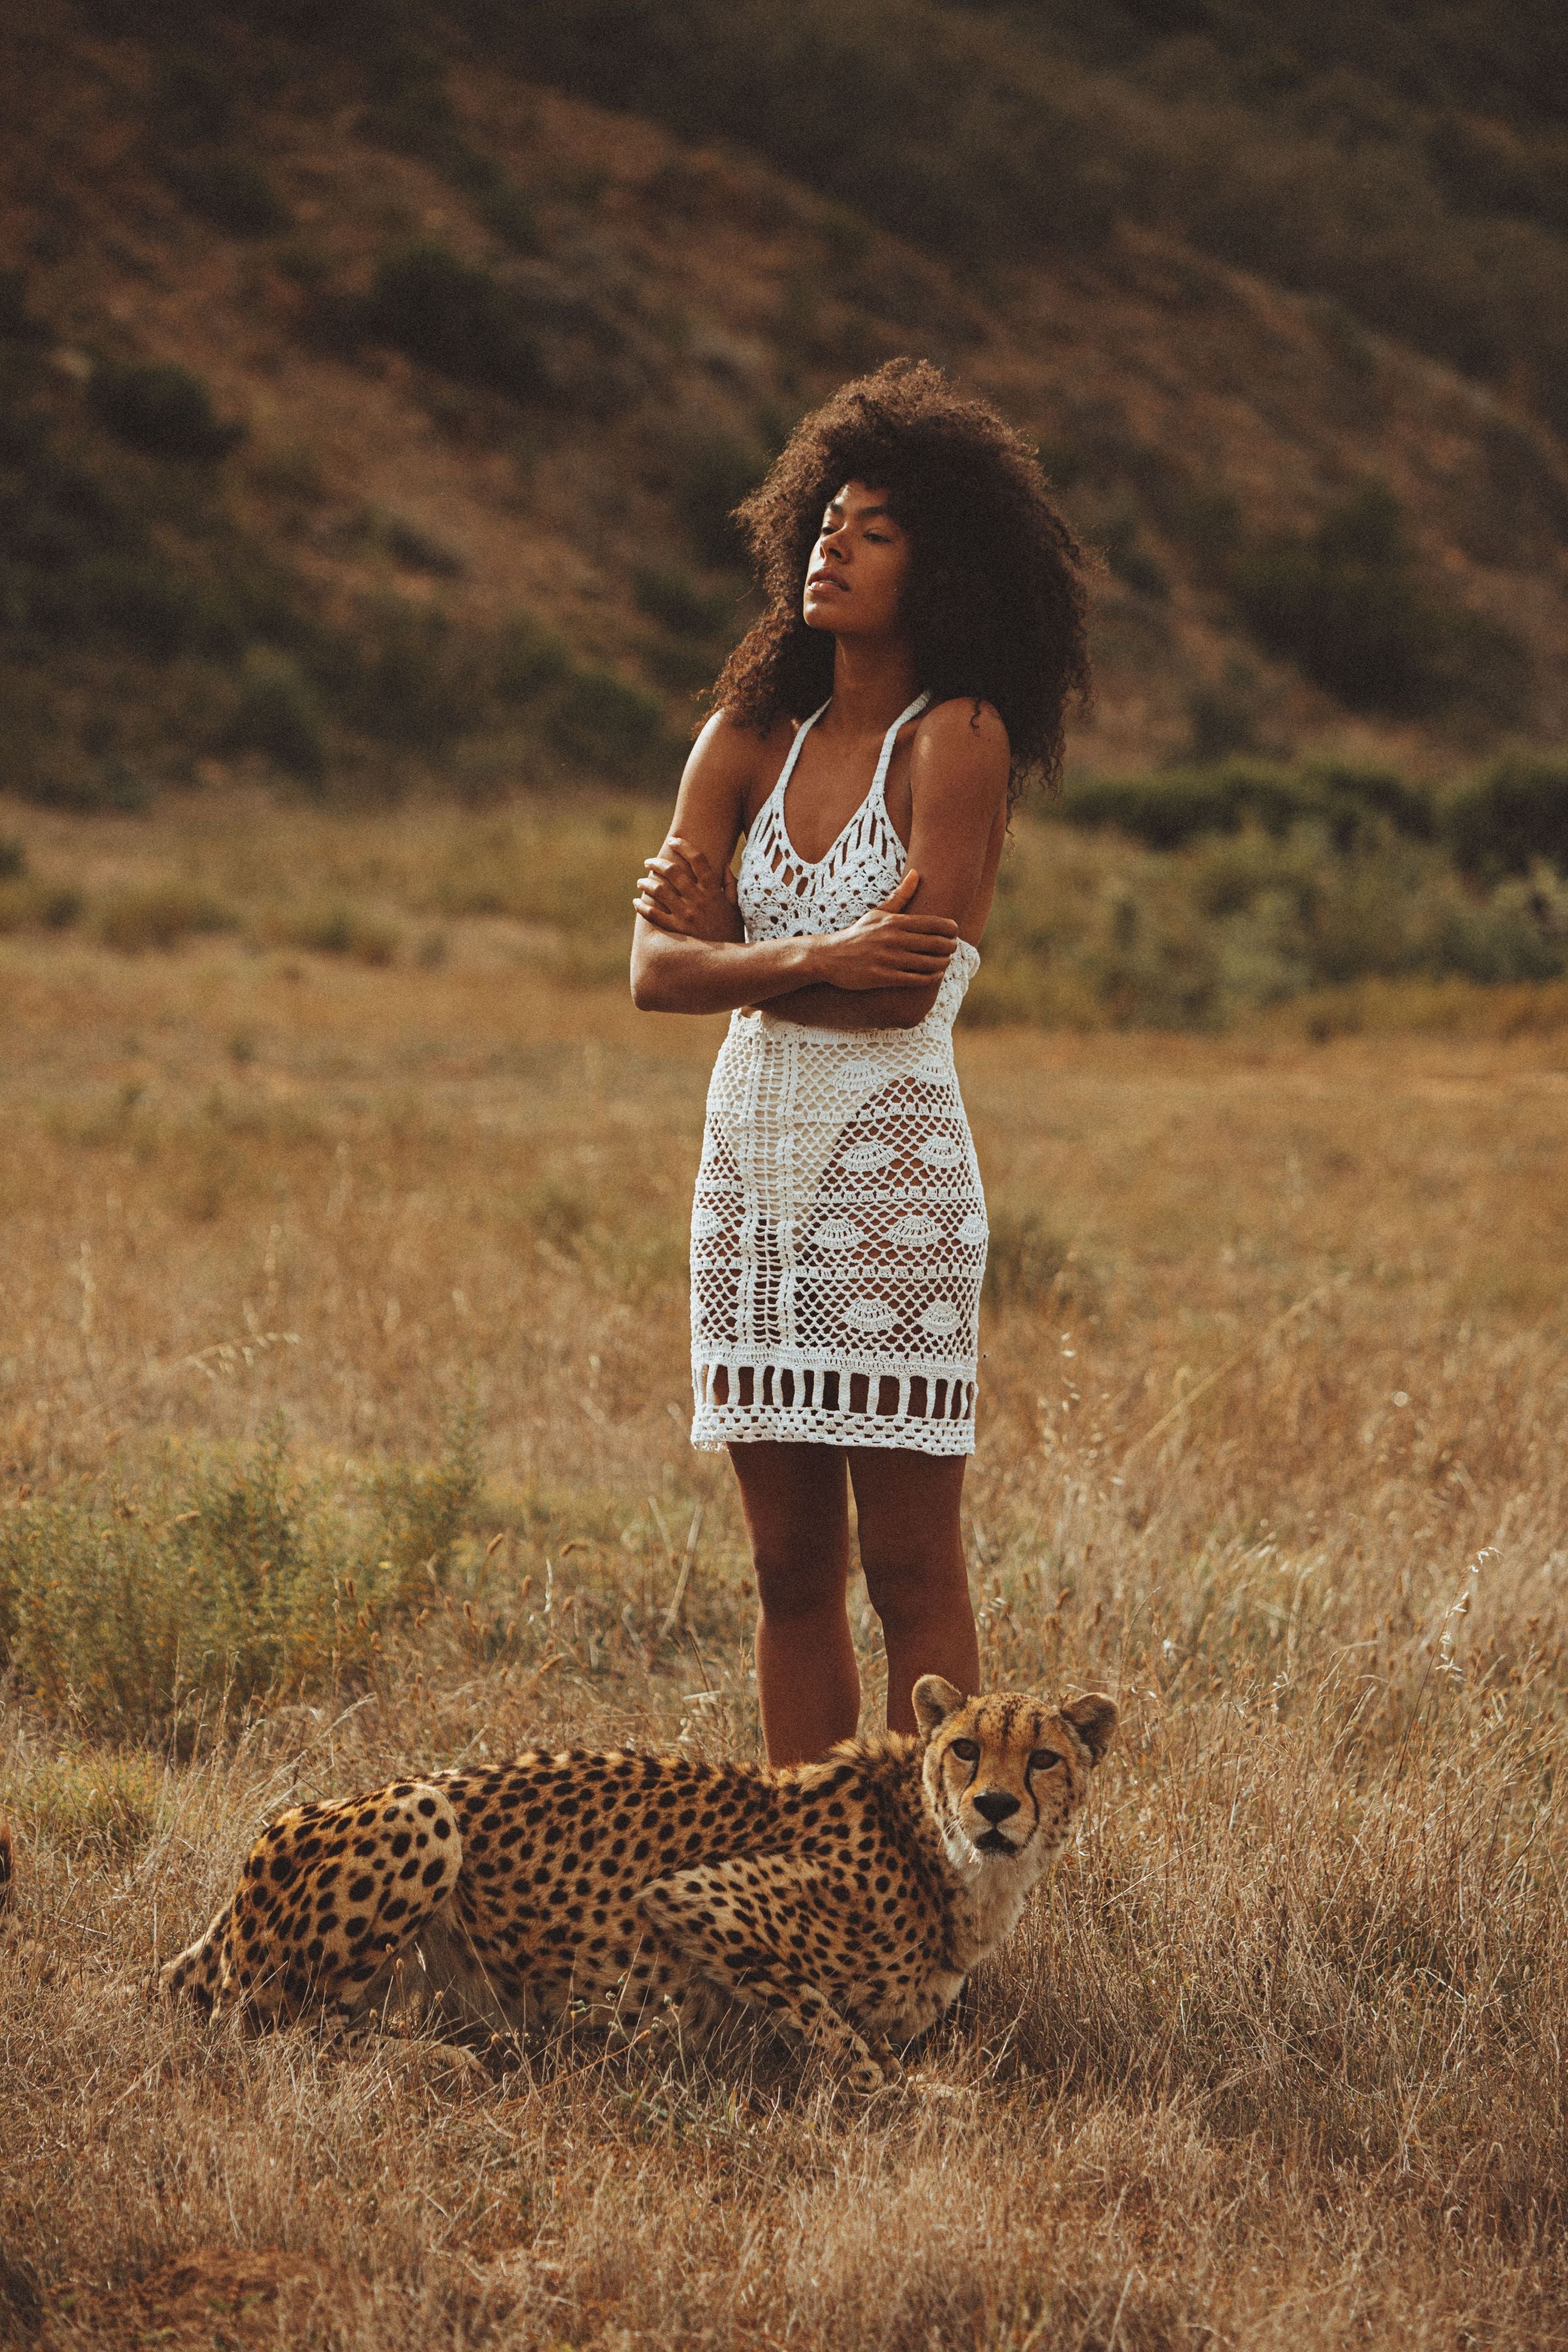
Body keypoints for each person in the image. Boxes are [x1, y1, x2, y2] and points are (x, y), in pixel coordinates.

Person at [630, 357, 1090, 1765]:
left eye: (874, 528)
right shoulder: (746, 735)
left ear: (940, 567)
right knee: (784, 1575)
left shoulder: (957, 737)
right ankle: (803, 1867)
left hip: (889, 1180)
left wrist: (749, 965)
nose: (833, 541)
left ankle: (929, 1888)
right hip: (745, 1181)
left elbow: (908, 1001)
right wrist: (820, 957)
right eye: (825, 518)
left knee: (907, 1572)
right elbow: (655, 975)